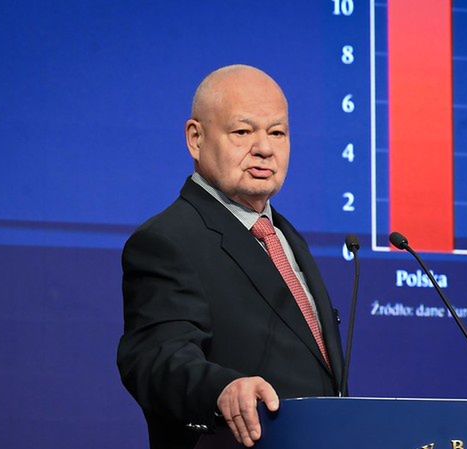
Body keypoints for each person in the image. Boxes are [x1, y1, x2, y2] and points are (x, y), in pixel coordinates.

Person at [117, 65, 345, 449]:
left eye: (277, 133)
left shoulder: (288, 239)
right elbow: (157, 358)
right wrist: (222, 390)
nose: (265, 148)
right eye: (243, 132)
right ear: (196, 139)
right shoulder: (167, 241)